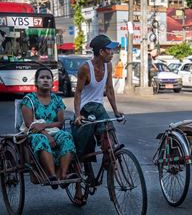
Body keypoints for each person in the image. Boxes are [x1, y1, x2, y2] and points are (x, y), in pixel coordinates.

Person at [21, 68, 84, 203]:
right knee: (41, 139)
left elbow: (60, 123)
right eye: (42, 77)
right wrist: (45, 133)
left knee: (66, 137)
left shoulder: (56, 99)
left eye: (48, 78)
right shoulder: (29, 99)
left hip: (53, 131)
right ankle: (52, 175)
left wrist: (44, 126)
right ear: (36, 82)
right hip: (34, 133)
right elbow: (30, 124)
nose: (45, 80)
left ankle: (63, 174)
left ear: (52, 82)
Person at [73, 34, 123, 165]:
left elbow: (110, 89)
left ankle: (109, 161)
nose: (112, 53)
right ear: (101, 52)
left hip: (98, 107)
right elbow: (77, 93)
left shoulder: (108, 66)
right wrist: (78, 115)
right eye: (109, 50)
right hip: (85, 107)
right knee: (82, 146)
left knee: (109, 132)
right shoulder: (85, 68)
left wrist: (116, 112)